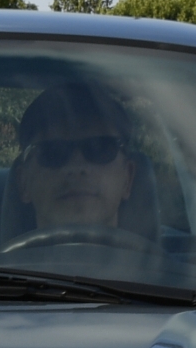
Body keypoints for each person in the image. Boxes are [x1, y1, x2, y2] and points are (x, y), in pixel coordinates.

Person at [8, 81, 141, 236]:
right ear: (23, 182)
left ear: (128, 179)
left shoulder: (159, 254)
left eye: (100, 149)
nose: (77, 167)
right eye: (53, 152)